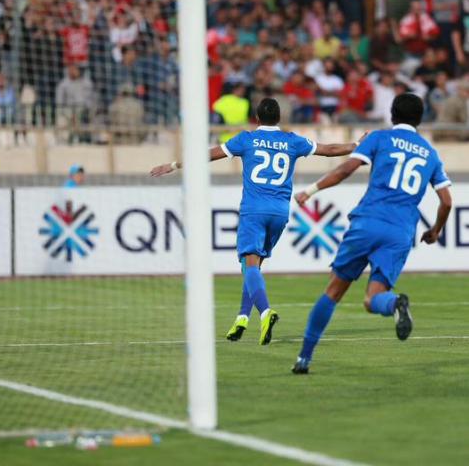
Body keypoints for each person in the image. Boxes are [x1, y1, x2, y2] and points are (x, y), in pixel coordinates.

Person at [150, 98, 362, 346]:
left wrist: (174, 165)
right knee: (253, 267)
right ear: (278, 118)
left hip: (253, 210)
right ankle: (241, 318)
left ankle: (265, 312)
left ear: (257, 118)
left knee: (249, 265)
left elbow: (208, 155)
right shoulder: (292, 140)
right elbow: (331, 149)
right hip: (280, 212)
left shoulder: (246, 139)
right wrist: (358, 144)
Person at [291, 94, 452, 374]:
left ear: (392, 115)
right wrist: (435, 230)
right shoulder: (430, 153)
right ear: (420, 119)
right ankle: (394, 304)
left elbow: (345, 170)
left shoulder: (379, 138)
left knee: (334, 291)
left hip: (369, 221)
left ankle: (304, 358)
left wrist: (310, 190)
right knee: (372, 299)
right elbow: (447, 201)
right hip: (401, 232)